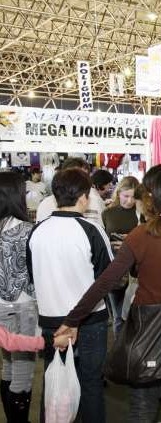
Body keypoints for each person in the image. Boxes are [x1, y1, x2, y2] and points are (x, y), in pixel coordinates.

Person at [55, 167, 161, 423]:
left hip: (146, 337)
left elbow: (106, 281)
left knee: (142, 411)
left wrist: (72, 319)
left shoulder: (142, 234)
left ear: (153, 197)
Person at [27, 168, 114, 423]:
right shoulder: (92, 230)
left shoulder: (37, 231)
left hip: (51, 321)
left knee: (54, 384)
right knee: (90, 385)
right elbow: (106, 279)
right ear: (85, 197)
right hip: (90, 321)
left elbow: (33, 277)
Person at [0, 172, 37, 422]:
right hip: (24, 307)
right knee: (23, 372)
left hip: (1, 307)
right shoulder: (28, 230)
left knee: (8, 366)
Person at [102, 176, 140, 336]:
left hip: (138, 271)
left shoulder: (142, 215)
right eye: (126, 196)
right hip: (115, 270)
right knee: (118, 317)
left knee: (135, 317)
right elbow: (103, 239)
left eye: (133, 197)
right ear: (119, 194)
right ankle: (120, 354)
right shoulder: (108, 213)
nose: (129, 201)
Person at [36, 157, 106, 227]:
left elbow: (100, 229)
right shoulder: (45, 204)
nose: (82, 182)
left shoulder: (95, 201)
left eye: (85, 177)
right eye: (76, 177)